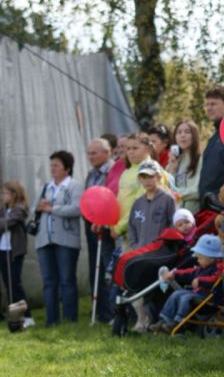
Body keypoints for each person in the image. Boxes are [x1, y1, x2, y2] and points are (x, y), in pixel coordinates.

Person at [35, 150, 83, 326]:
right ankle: (51, 320)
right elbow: (36, 207)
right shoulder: (46, 187)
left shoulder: (75, 186)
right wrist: (40, 207)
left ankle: (70, 319)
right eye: (51, 165)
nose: (53, 169)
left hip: (66, 240)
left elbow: (77, 209)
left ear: (67, 168)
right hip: (44, 239)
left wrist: (52, 208)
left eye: (57, 165)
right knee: (48, 282)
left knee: (67, 280)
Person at [149, 234, 224, 333]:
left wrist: (200, 281)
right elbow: (188, 272)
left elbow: (216, 279)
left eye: (200, 258)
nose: (197, 260)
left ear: (211, 258)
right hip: (198, 296)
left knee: (185, 298)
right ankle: (164, 320)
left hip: (210, 301)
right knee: (177, 294)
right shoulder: (201, 268)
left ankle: (179, 323)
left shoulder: (219, 267)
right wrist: (174, 274)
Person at [111, 132, 170, 250]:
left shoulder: (149, 169)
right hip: (126, 231)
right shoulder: (127, 171)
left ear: (147, 149)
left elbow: (141, 205)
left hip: (143, 231)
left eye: (135, 148)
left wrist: (119, 227)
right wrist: (112, 223)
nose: (131, 152)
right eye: (128, 148)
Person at [84, 138, 115, 323]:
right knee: (95, 268)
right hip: (92, 225)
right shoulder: (90, 174)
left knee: (108, 268)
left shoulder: (113, 171)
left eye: (94, 153)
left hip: (108, 226)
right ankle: (101, 311)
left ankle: (112, 312)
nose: (90, 157)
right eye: (89, 153)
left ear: (107, 152)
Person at [0, 181, 33, 327]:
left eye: (5, 193)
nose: (2, 196)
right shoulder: (3, 210)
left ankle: (27, 316)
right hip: (2, 250)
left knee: (15, 284)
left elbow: (8, 223)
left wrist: (3, 222)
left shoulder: (20, 209)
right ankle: (13, 315)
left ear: (13, 195)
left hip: (14, 252)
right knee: (8, 284)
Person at [128, 160, 176, 250]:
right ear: (139, 179)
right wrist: (135, 246)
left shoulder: (168, 199)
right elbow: (131, 227)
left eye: (150, 176)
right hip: (141, 252)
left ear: (158, 177)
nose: (147, 181)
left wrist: (164, 245)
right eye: (143, 177)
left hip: (160, 252)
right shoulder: (137, 203)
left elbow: (173, 225)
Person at [199, 86, 224, 207]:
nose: (209, 108)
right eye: (207, 104)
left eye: (213, 104)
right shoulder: (214, 138)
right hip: (208, 206)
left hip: (223, 207)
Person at [167, 120, 202, 213]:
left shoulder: (201, 159)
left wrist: (177, 195)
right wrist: (172, 170)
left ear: (194, 136)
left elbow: (197, 190)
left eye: (187, 132)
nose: (182, 135)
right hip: (175, 214)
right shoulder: (174, 160)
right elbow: (166, 187)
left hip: (193, 213)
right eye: (179, 132)